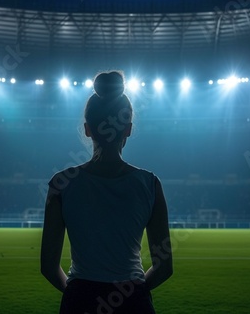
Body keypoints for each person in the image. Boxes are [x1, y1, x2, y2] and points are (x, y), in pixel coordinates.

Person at [40, 70, 173, 314]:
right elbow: (164, 267)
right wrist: (135, 293)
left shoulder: (61, 184)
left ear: (88, 129)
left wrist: (75, 294)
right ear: (129, 129)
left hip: (80, 299)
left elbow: (48, 267)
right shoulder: (150, 184)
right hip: (133, 300)